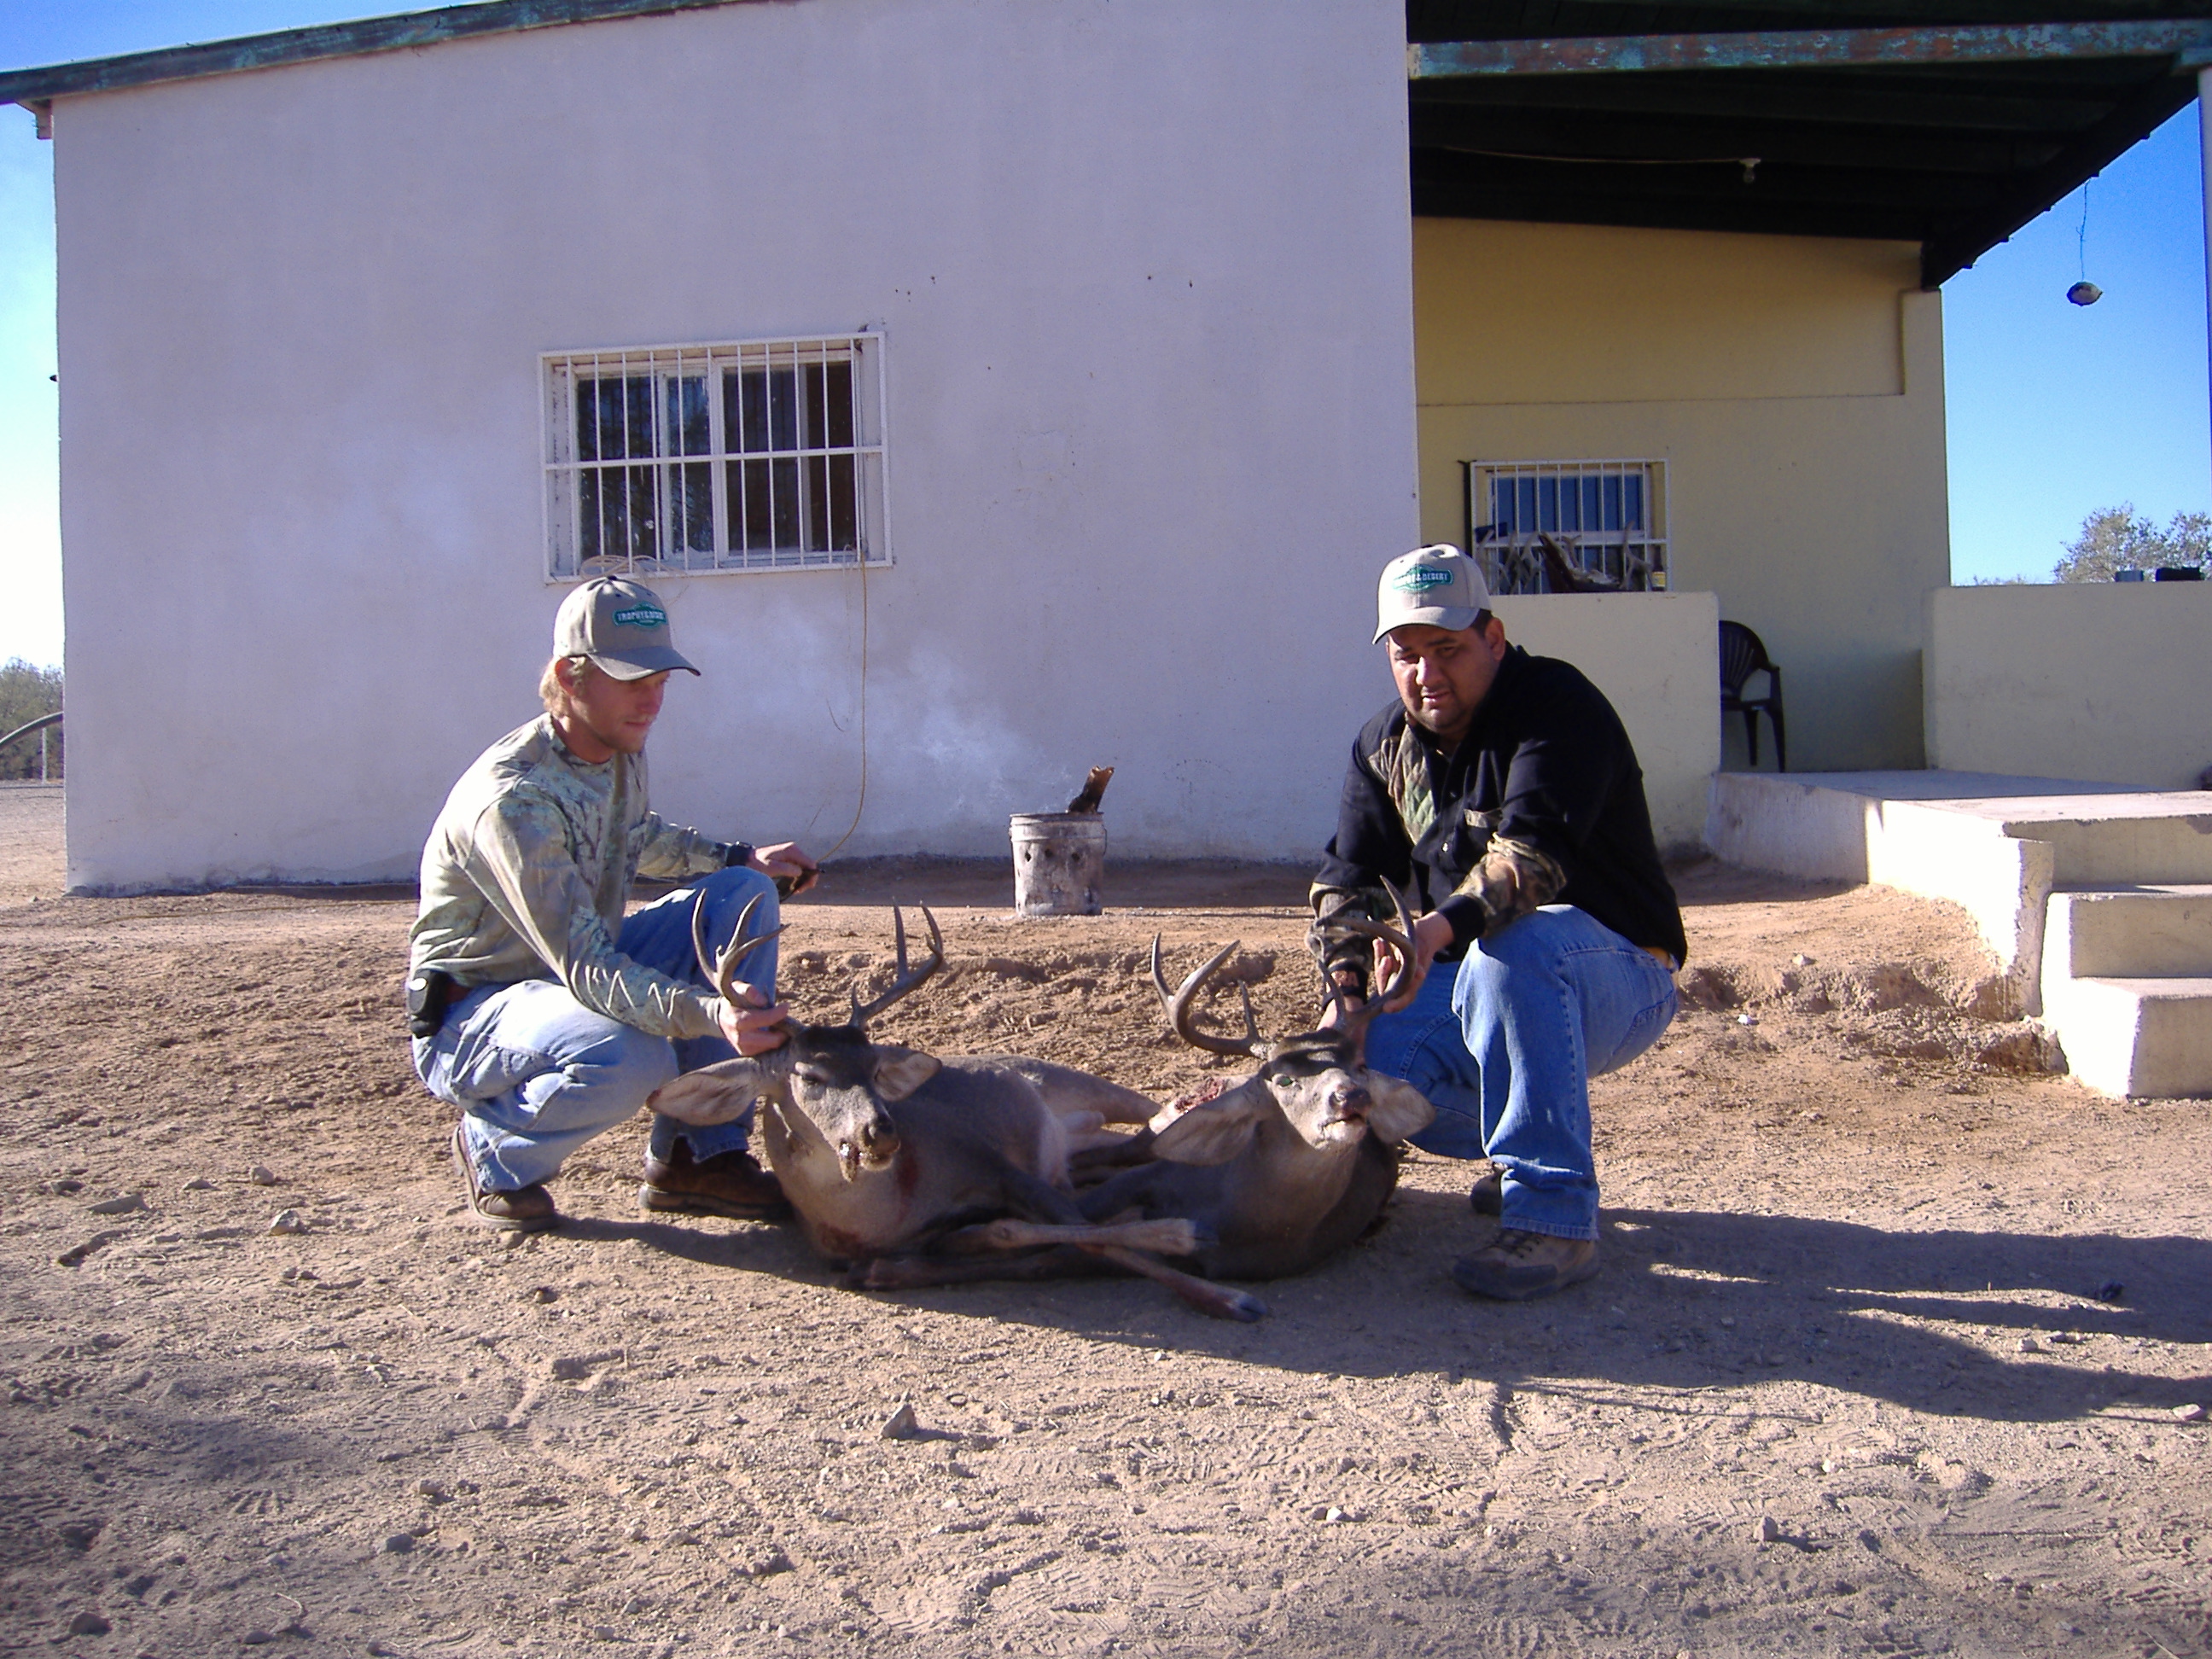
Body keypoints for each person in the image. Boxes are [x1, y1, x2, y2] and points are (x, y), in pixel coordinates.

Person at [1309, 544, 1686, 1301]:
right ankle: (1518, 1156)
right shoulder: (1383, 745)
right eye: (1407, 653)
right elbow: (1346, 880)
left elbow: (1533, 859)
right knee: (1361, 1065)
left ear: (1494, 637)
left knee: (1512, 947)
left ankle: (1554, 1219)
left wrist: (1431, 933)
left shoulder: (1555, 704)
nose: (1427, 673)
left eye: (1446, 649)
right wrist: (1348, 993)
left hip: (1615, 971)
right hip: (1477, 983)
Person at [407, 576, 819, 1232]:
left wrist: (740, 860)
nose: (652, 700)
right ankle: (494, 1151)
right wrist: (714, 1015)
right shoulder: (515, 801)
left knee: (743, 896)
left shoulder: (614, 746)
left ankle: (696, 1156)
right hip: (478, 1013)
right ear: (571, 677)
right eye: (633, 680)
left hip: (563, 979)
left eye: (660, 679)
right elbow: (590, 969)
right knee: (633, 1056)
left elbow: (634, 837)